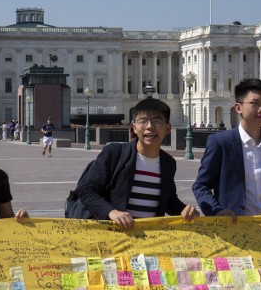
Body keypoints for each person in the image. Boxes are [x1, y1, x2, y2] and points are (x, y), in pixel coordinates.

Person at [73, 98, 197, 230]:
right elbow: (85, 189)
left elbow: (168, 200)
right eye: (143, 121)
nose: (149, 126)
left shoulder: (168, 163)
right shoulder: (115, 153)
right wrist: (111, 212)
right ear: (134, 128)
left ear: (167, 128)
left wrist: (184, 210)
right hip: (114, 236)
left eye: (157, 121)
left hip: (149, 237)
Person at [192, 78, 261, 221]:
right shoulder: (221, 143)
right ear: (238, 108)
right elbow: (201, 185)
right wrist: (216, 211)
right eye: (254, 103)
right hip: (234, 225)